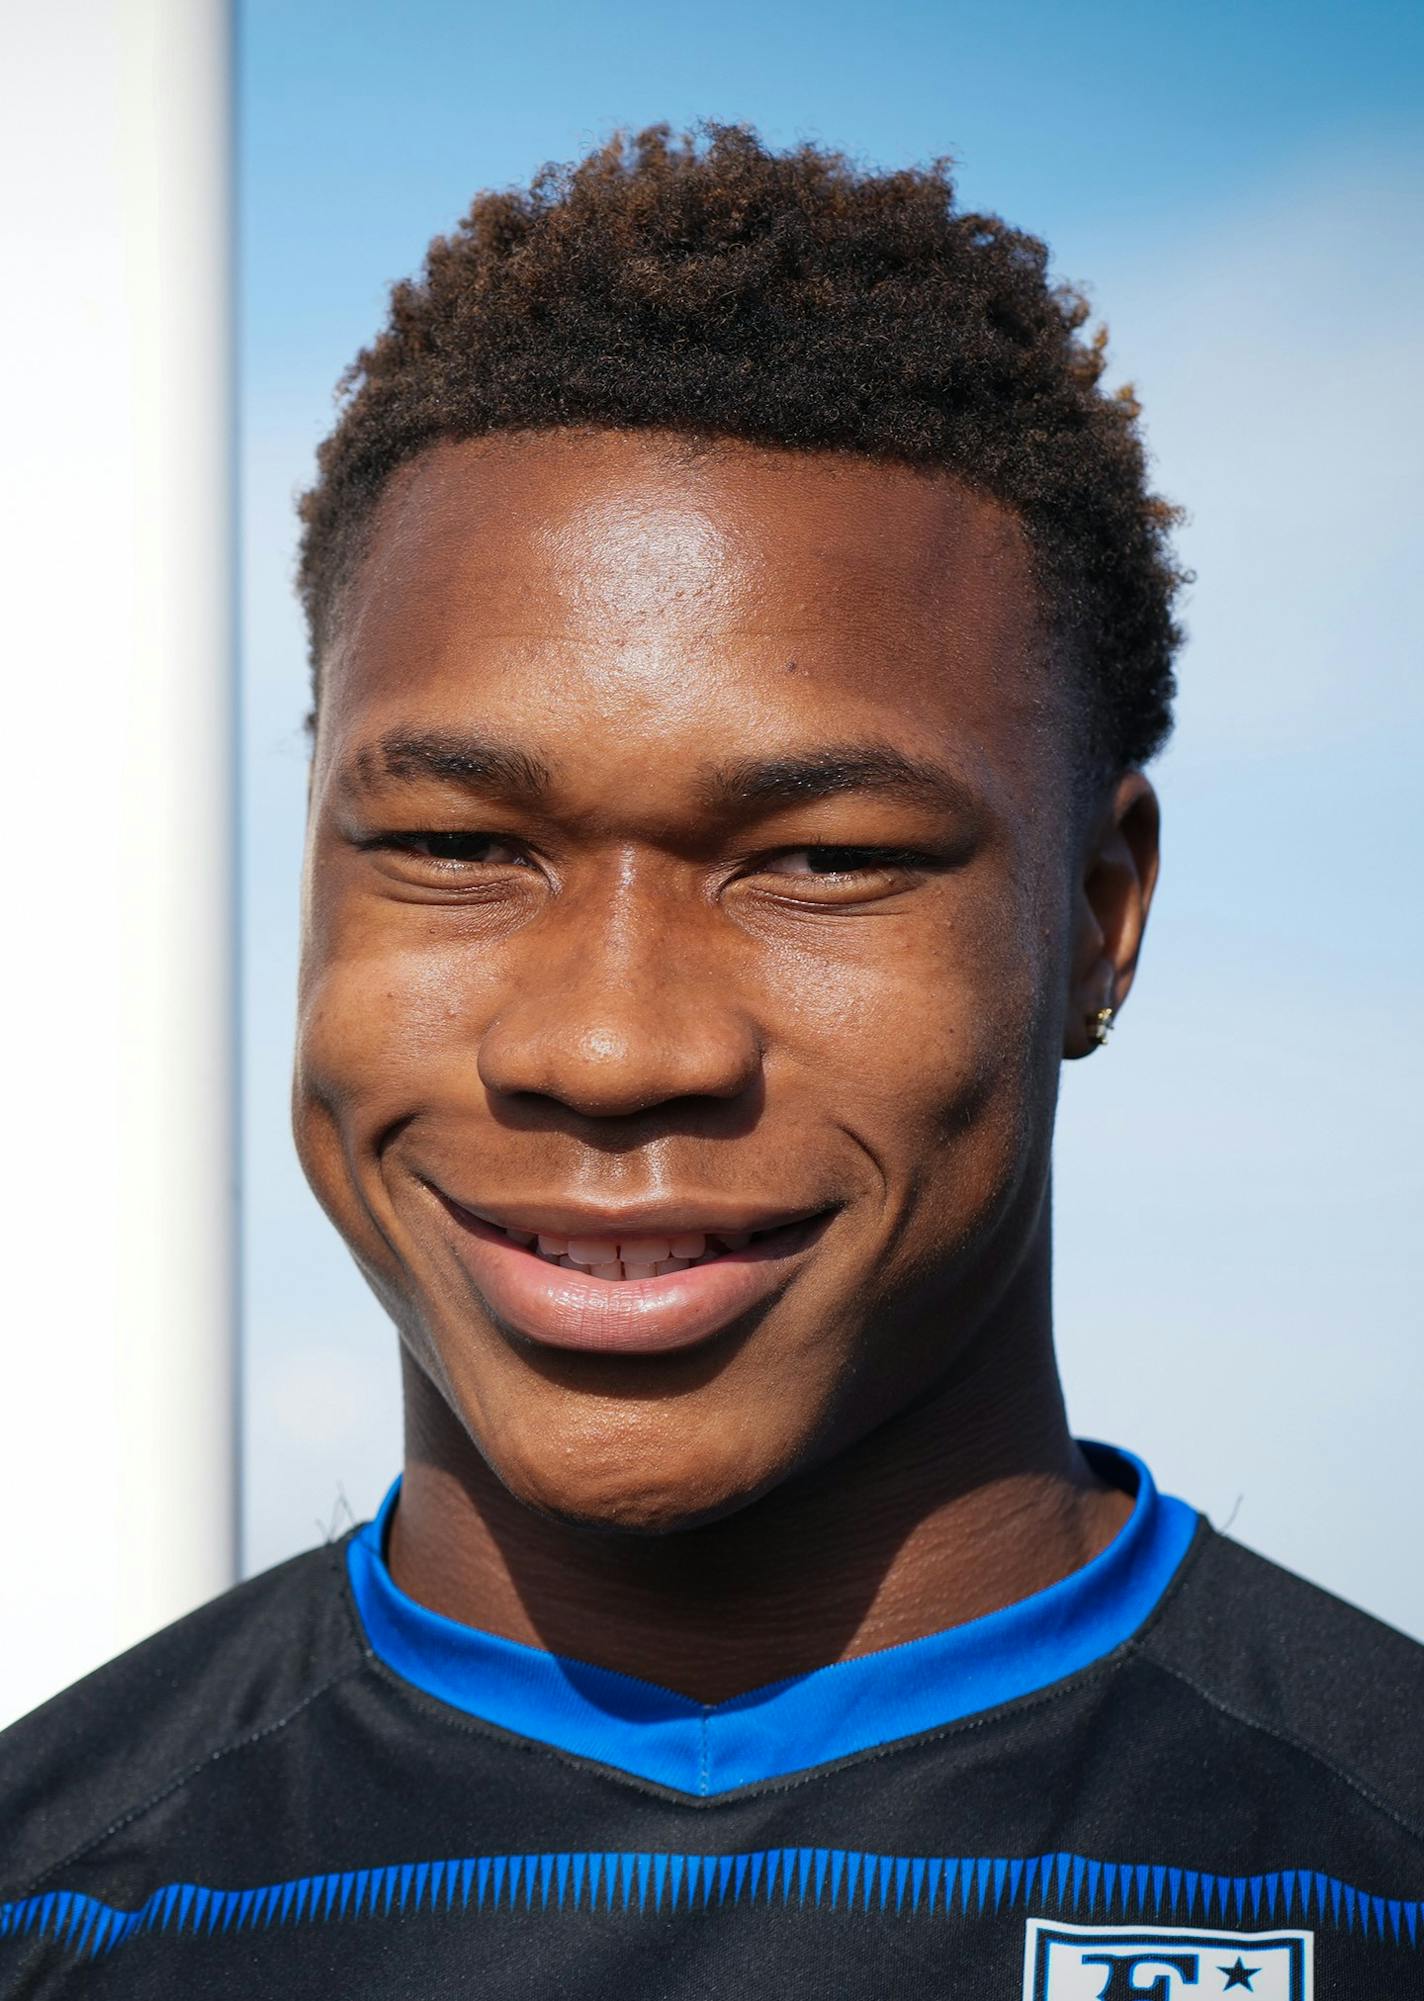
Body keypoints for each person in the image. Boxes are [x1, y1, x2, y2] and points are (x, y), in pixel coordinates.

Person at [2, 125, 1419, 2000]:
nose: (608, 1044)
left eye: (824, 860)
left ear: (1099, 912)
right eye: (454, 845)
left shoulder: (1369, 1875)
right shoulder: (57, 1904)